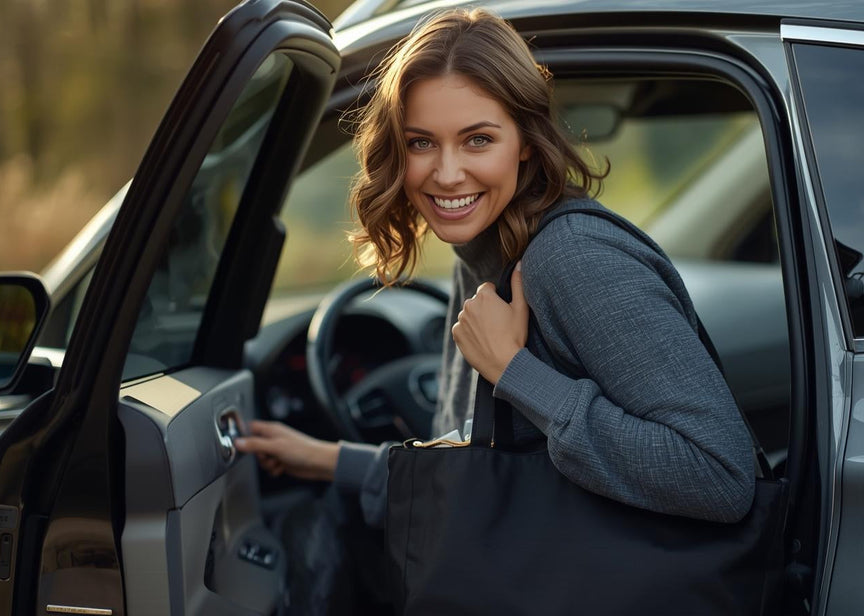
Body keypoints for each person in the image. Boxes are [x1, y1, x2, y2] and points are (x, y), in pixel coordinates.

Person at [234, 7, 756, 613]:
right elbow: (484, 477)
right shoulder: (486, 253)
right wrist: (328, 460)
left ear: (527, 143)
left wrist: (515, 373)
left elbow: (719, 474)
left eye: (477, 139)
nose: (446, 173)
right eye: (421, 143)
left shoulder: (571, 260)